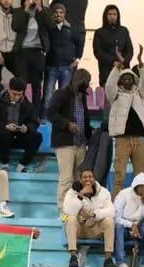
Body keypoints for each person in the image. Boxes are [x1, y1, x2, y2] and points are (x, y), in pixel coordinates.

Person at [106, 46, 144, 198]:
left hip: (139, 139)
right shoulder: (115, 96)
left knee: (141, 176)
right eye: (124, 78)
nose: (127, 80)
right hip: (123, 140)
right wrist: (118, 66)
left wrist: (141, 64)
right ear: (120, 81)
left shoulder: (140, 95)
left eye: (130, 78)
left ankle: (141, 204)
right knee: (120, 175)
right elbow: (109, 86)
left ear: (134, 80)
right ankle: (116, 206)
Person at [48, 68, 93, 211]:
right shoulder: (61, 94)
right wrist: (67, 124)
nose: (87, 85)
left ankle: (78, 208)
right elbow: (51, 113)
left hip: (80, 143)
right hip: (65, 143)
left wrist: (91, 133)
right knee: (66, 178)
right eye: (86, 82)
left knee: (80, 179)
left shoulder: (82, 97)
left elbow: (85, 119)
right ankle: (62, 210)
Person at [63, 169, 117, 267]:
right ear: (80, 180)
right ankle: (73, 257)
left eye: (90, 177)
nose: (88, 179)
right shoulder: (71, 192)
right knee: (70, 218)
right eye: (85, 177)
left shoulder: (104, 192)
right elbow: (67, 211)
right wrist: (81, 195)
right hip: (79, 229)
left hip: (94, 228)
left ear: (94, 179)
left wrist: (94, 214)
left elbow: (112, 211)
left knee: (109, 221)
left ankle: (108, 259)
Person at [0, 76, 42, 172]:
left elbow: (34, 122)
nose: (16, 97)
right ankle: (5, 164)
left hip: (18, 136)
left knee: (37, 137)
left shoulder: (27, 105)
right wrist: (5, 126)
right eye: (14, 94)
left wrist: (27, 128)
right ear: (9, 90)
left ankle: (22, 165)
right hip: (1, 136)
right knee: (6, 133)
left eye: (19, 95)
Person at [11, 0, 54, 117]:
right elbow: (16, 27)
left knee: (36, 85)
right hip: (22, 52)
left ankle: (35, 115)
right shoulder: (19, 11)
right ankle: (17, 114)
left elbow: (51, 26)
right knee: (21, 84)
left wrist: (40, 9)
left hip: (38, 52)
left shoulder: (45, 12)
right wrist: (26, 10)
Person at [42, 3, 82, 120]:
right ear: (52, 14)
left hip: (66, 67)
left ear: (64, 15)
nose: (58, 15)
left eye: (61, 12)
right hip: (51, 67)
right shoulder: (49, 29)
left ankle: (64, 117)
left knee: (64, 95)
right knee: (48, 93)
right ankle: (44, 118)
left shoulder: (71, 29)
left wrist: (78, 58)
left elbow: (80, 44)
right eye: (56, 12)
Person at [113, 173, 144, 267]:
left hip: (140, 227)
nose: (143, 190)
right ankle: (121, 262)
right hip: (124, 226)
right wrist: (131, 224)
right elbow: (116, 217)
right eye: (141, 187)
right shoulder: (123, 194)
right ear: (135, 187)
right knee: (118, 227)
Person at [92, 4, 132, 87]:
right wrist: (113, 61)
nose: (112, 17)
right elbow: (98, 52)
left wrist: (123, 61)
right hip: (106, 71)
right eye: (110, 14)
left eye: (114, 14)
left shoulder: (124, 31)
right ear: (105, 16)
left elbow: (129, 49)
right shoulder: (99, 32)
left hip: (123, 70)